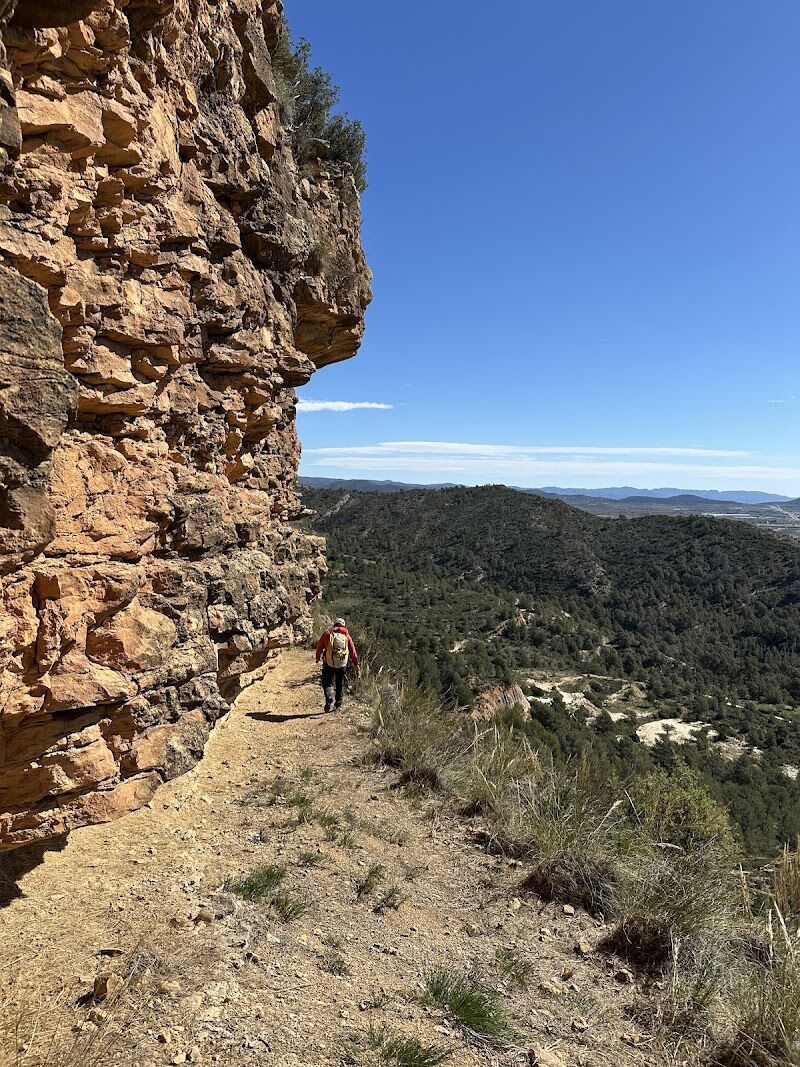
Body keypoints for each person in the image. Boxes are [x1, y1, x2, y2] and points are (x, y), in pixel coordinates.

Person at [315, 617, 359, 712]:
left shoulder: (327, 634)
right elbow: (353, 652)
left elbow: (319, 646)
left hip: (328, 663)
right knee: (339, 683)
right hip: (342, 664)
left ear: (334, 625)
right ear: (344, 626)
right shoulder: (347, 636)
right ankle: (338, 704)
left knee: (326, 682)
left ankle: (328, 698)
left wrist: (317, 657)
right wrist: (356, 664)